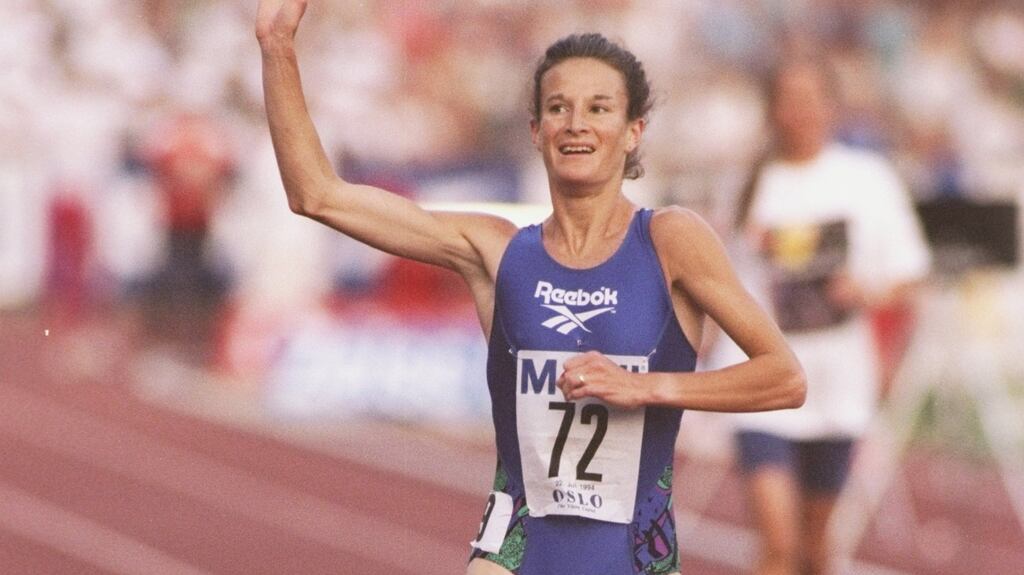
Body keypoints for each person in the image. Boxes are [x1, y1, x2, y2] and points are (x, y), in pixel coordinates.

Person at [256, 2, 806, 574]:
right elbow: (316, 195)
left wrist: (645, 388)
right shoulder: (498, 251)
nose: (576, 124)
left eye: (599, 108)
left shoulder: (671, 241)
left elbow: (784, 378)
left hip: (629, 557)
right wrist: (277, 48)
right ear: (536, 129)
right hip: (514, 551)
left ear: (632, 131)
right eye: (558, 108)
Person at [729, 57, 931, 575]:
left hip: (838, 385)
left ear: (832, 106)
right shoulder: (749, 184)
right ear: (772, 109)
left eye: (810, 98)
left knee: (816, 551)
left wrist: (865, 292)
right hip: (764, 386)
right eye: (787, 99)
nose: (799, 111)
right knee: (778, 544)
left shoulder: (867, 179)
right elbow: (718, 283)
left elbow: (912, 275)